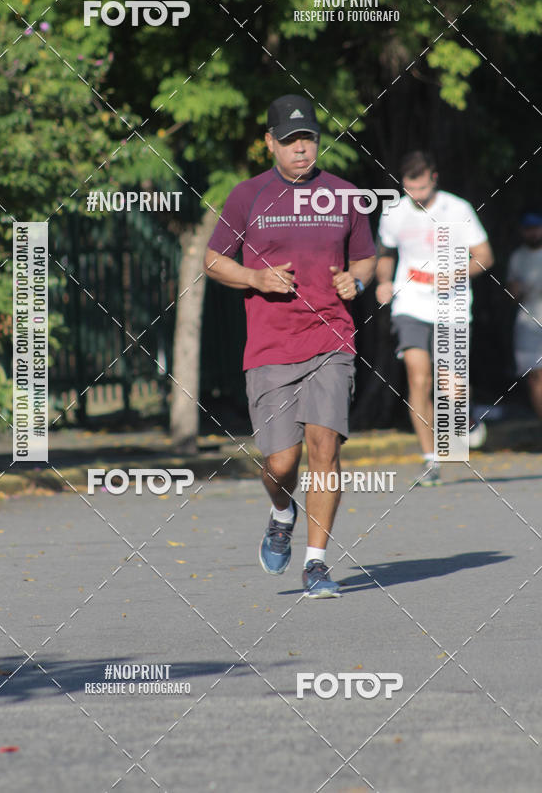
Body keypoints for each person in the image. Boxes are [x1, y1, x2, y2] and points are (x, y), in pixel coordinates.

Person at [204, 94, 376, 598]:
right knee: (282, 462)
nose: (301, 149)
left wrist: (356, 283)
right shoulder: (247, 196)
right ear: (269, 143)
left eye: (308, 140)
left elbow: (366, 259)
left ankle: (317, 563)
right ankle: (282, 512)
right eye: (290, 141)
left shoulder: (345, 195)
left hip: (332, 339)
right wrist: (256, 276)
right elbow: (214, 261)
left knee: (325, 447)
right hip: (271, 346)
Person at [375, 150, 494, 485]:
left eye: (423, 189)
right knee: (418, 377)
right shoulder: (394, 212)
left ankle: (464, 417)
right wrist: (384, 282)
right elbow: (385, 253)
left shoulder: (458, 209)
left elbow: (484, 257)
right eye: (411, 190)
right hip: (410, 304)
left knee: (451, 387)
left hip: (452, 305)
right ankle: (431, 459)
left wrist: (458, 273)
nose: (417, 197)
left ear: (434, 179)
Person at [507, 211, 542, 419]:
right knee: (535, 377)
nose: (532, 233)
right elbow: (511, 295)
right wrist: (515, 291)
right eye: (528, 229)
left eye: (536, 227)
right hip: (528, 323)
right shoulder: (517, 257)